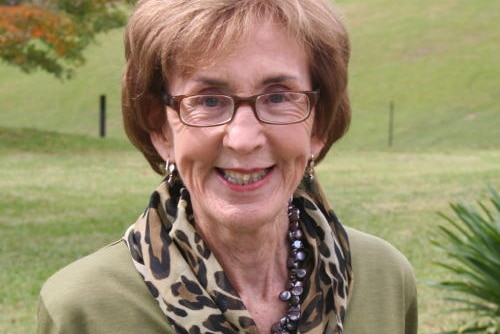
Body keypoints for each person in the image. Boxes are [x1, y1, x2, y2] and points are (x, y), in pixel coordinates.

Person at [38, 0, 418, 333]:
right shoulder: (85, 309)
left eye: (278, 96)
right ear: (160, 128)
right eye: (209, 101)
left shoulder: (383, 279)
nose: (243, 138)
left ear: (318, 124)